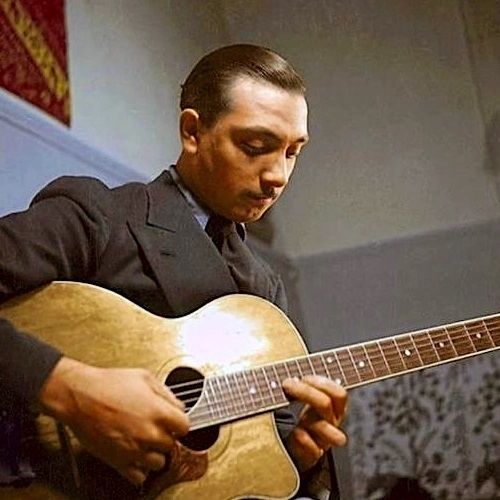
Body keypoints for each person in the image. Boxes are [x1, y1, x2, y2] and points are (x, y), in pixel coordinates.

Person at [0, 44, 347, 498]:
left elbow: (243, 469)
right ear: (192, 131)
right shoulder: (99, 216)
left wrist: (300, 455)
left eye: (292, 152)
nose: (278, 174)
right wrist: (67, 387)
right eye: (257, 146)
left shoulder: (264, 290)